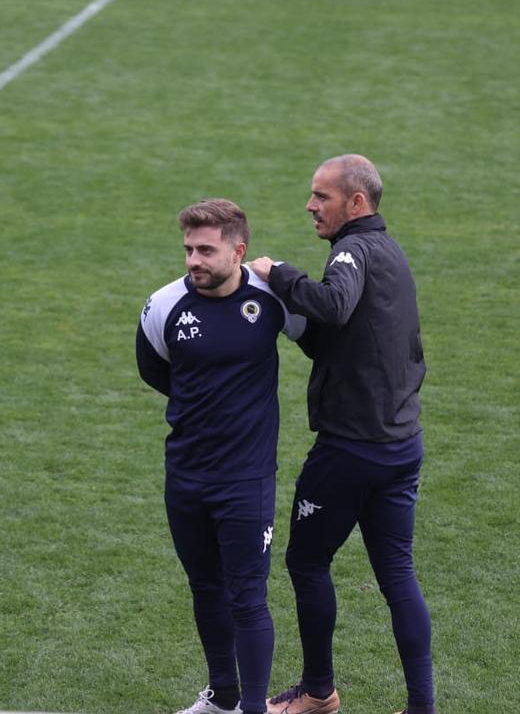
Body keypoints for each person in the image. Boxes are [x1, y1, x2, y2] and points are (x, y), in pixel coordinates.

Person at [248, 155, 434, 714]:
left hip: (351, 450)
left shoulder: (352, 250)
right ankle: (422, 707)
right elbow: (351, 338)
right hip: (402, 445)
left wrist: (278, 273)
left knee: (307, 563)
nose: (310, 206)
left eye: (321, 196)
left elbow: (333, 303)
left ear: (356, 202)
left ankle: (317, 692)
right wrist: (296, 328)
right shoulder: (390, 251)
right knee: (397, 573)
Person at [137, 199, 306, 714]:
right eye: (189, 249)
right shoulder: (163, 305)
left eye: (206, 250)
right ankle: (223, 696)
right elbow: (155, 370)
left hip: (246, 479)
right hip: (186, 475)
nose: (194, 260)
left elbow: (320, 338)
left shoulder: (272, 299)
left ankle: (253, 708)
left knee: (247, 596)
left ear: (239, 251)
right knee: (205, 587)